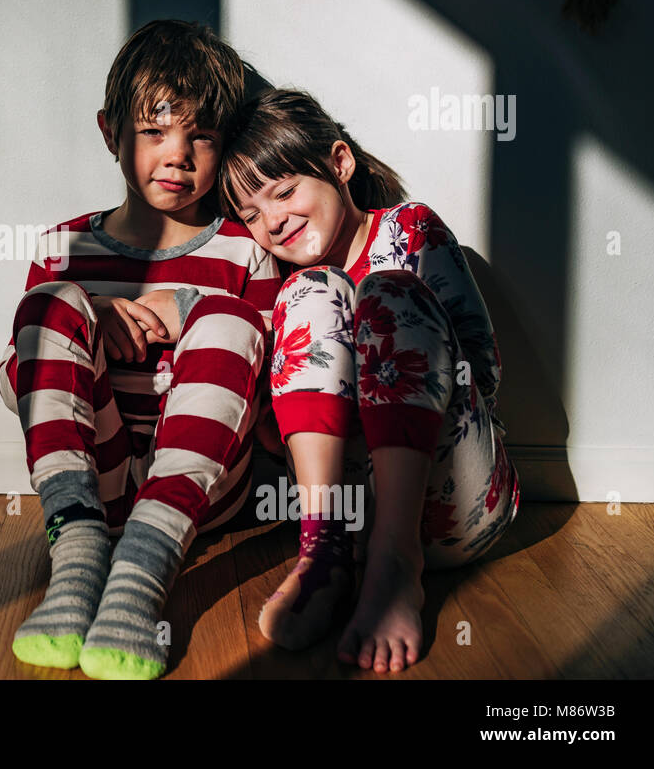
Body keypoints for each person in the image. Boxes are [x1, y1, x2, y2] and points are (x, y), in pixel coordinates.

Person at [0, 20, 282, 679]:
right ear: (111, 133)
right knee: (50, 308)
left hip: (209, 498)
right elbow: (21, 378)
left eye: (200, 135)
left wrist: (187, 310)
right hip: (101, 484)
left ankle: (146, 564)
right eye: (155, 131)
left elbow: (271, 385)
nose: (177, 155)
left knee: (236, 323)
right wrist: (89, 318)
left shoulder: (248, 248)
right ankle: (77, 552)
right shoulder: (60, 250)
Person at [213, 87, 521, 673]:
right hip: (350, 514)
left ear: (339, 163)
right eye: (252, 214)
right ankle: (321, 551)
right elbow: (272, 430)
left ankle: (396, 560)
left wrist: (382, 371)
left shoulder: (409, 231)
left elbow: (481, 371)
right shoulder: (281, 281)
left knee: (387, 291)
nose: (272, 220)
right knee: (308, 292)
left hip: (452, 496)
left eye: (283, 192)